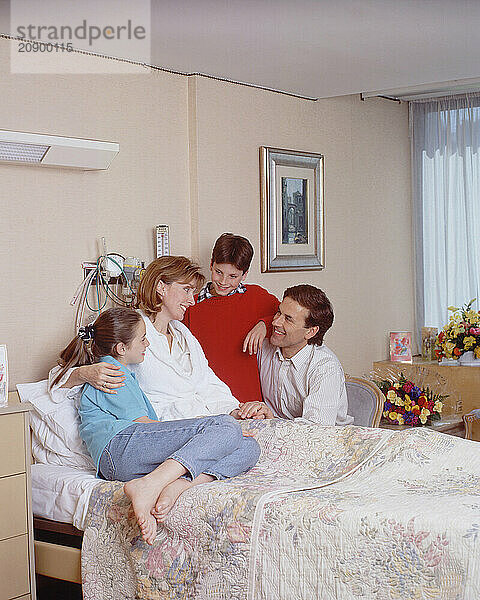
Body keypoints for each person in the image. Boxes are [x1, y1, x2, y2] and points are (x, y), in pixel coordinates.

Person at [54, 307, 260, 545]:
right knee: (226, 425)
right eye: (142, 339)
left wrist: (220, 439)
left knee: (248, 446)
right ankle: (149, 485)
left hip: (128, 455)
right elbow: (145, 426)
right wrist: (214, 432)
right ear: (121, 349)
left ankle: (179, 485)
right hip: (119, 448)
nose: (147, 344)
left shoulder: (124, 373)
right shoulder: (111, 373)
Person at [56, 255, 271, 420]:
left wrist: (238, 412)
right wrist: (85, 373)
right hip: (164, 429)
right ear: (161, 287)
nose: (192, 300)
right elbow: (60, 376)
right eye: (186, 290)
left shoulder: (183, 334)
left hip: (204, 424)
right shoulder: (128, 329)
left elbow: (208, 385)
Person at [184, 233, 279, 404]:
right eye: (219, 272)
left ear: (244, 275)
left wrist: (264, 325)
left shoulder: (256, 297)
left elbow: (289, 321)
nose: (223, 281)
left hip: (249, 401)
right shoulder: (191, 305)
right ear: (211, 265)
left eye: (233, 276)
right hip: (207, 401)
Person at [256, 285, 354, 425]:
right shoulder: (264, 348)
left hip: (326, 441)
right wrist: (261, 324)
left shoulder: (325, 368)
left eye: (288, 319)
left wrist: (272, 422)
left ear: (311, 332)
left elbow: (316, 428)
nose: (275, 322)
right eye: (278, 313)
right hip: (276, 436)